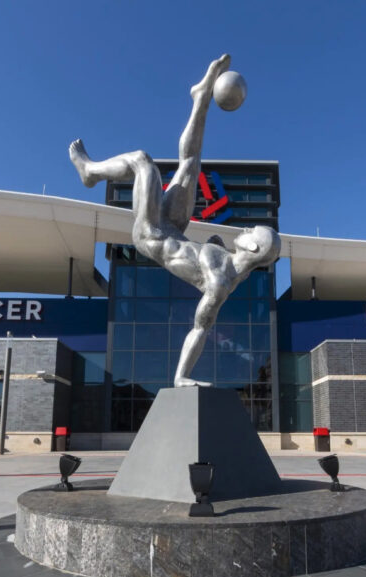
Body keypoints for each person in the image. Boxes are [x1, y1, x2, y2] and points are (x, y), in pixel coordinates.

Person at [69, 54, 280, 387]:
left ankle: (90, 172)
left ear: (253, 246)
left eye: (252, 230)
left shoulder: (219, 285)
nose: (245, 228)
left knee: (142, 162)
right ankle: (201, 98)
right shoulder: (225, 264)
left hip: (152, 234)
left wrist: (182, 376)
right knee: (191, 163)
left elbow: (200, 328)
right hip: (173, 228)